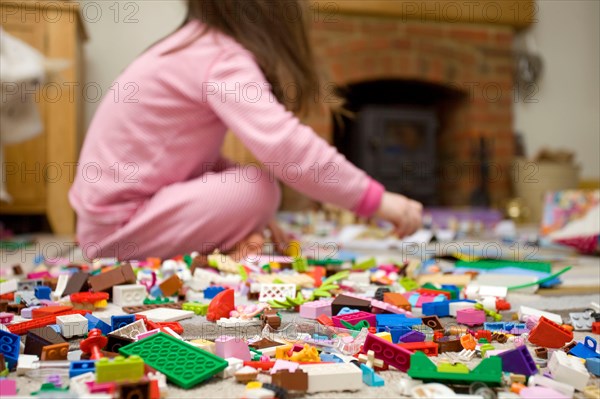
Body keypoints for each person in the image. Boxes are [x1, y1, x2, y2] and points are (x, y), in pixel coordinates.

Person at [69, 0, 422, 260]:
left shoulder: (197, 45)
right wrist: (374, 199)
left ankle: (226, 238)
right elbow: (286, 145)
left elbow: (183, 158)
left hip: (111, 221)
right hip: (117, 231)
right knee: (260, 187)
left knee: (248, 181)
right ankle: (225, 240)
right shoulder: (222, 58)